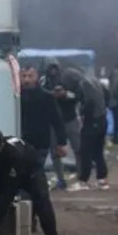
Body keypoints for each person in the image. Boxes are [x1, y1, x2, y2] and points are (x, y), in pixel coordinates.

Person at [68, 66, 110, 190]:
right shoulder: (93, 80)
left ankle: (83, 180)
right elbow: (107, 93)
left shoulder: (83, 84)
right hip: (102, 119)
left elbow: (89, 102)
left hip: (92, 121)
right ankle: (102, 179)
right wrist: (103, 107)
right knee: (98, 151)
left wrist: (82, 111)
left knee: (85, 151)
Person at [42, 59, 81, 190]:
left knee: (78, 148)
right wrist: (51, 95)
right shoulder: (43, 82)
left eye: (54, 68)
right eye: (50, 69)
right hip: (53, 122)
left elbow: (77, 96)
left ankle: (82, 176)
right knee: (55, 152)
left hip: (69, 118)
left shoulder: (68, 79)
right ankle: (61, 179)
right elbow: (41, 96)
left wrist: (65, 94)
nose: (52, 71)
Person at [19, 66, 68, 168]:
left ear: (36, 77)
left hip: (40, 143)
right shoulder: (15, 97)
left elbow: (57, 120)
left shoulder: (46, 97)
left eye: (30, 76)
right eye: (24, 76)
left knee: (36, 172)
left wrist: (62, 142)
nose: (27, 79)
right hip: (20, 141)